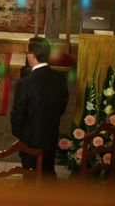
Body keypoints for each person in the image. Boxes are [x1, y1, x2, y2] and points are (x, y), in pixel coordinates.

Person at [10, 37, 69, 179]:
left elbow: (18, 114)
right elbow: (63, 105)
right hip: (51, 134)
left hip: (30, 140)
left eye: (26, 52)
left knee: (31, 177)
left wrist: (20, 134)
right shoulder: (59, 78)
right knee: (48, 173)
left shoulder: (25, 83)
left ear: (32, 56)